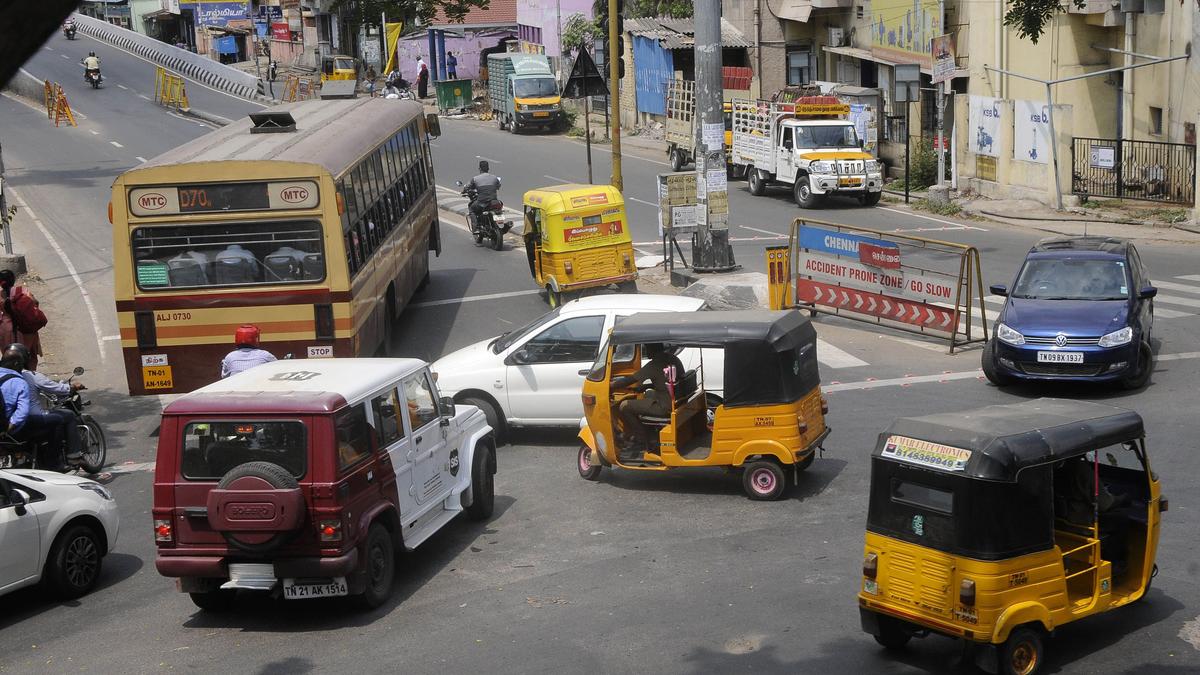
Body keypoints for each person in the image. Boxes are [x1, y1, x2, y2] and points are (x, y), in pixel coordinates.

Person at [0, 344, 72, 470]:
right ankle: (53, 463)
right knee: (57, 420)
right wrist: (9, 426)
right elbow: (22, 412)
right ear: (17, 364)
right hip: (12, 431)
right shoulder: (19, 381)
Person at [613, 344, 685, 457]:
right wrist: (647, 386)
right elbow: (668, 381)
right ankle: (650, 433)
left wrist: (611, 386)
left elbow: (629, 380)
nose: (646, 351)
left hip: (665, 406)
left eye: (647, 348)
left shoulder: (654, 364)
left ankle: (640, 439)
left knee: (624, 405)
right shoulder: (673, 358)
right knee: (648, 394)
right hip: (678, 400)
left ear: (652, 349)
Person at [0, 270, 47, 371]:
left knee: (9, 355)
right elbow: (35, 303)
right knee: (30, 355)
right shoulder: (22, 290)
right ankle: (30, 377)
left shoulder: (0, 295)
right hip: (25, 328)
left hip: (5, 330)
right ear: (13, 280)